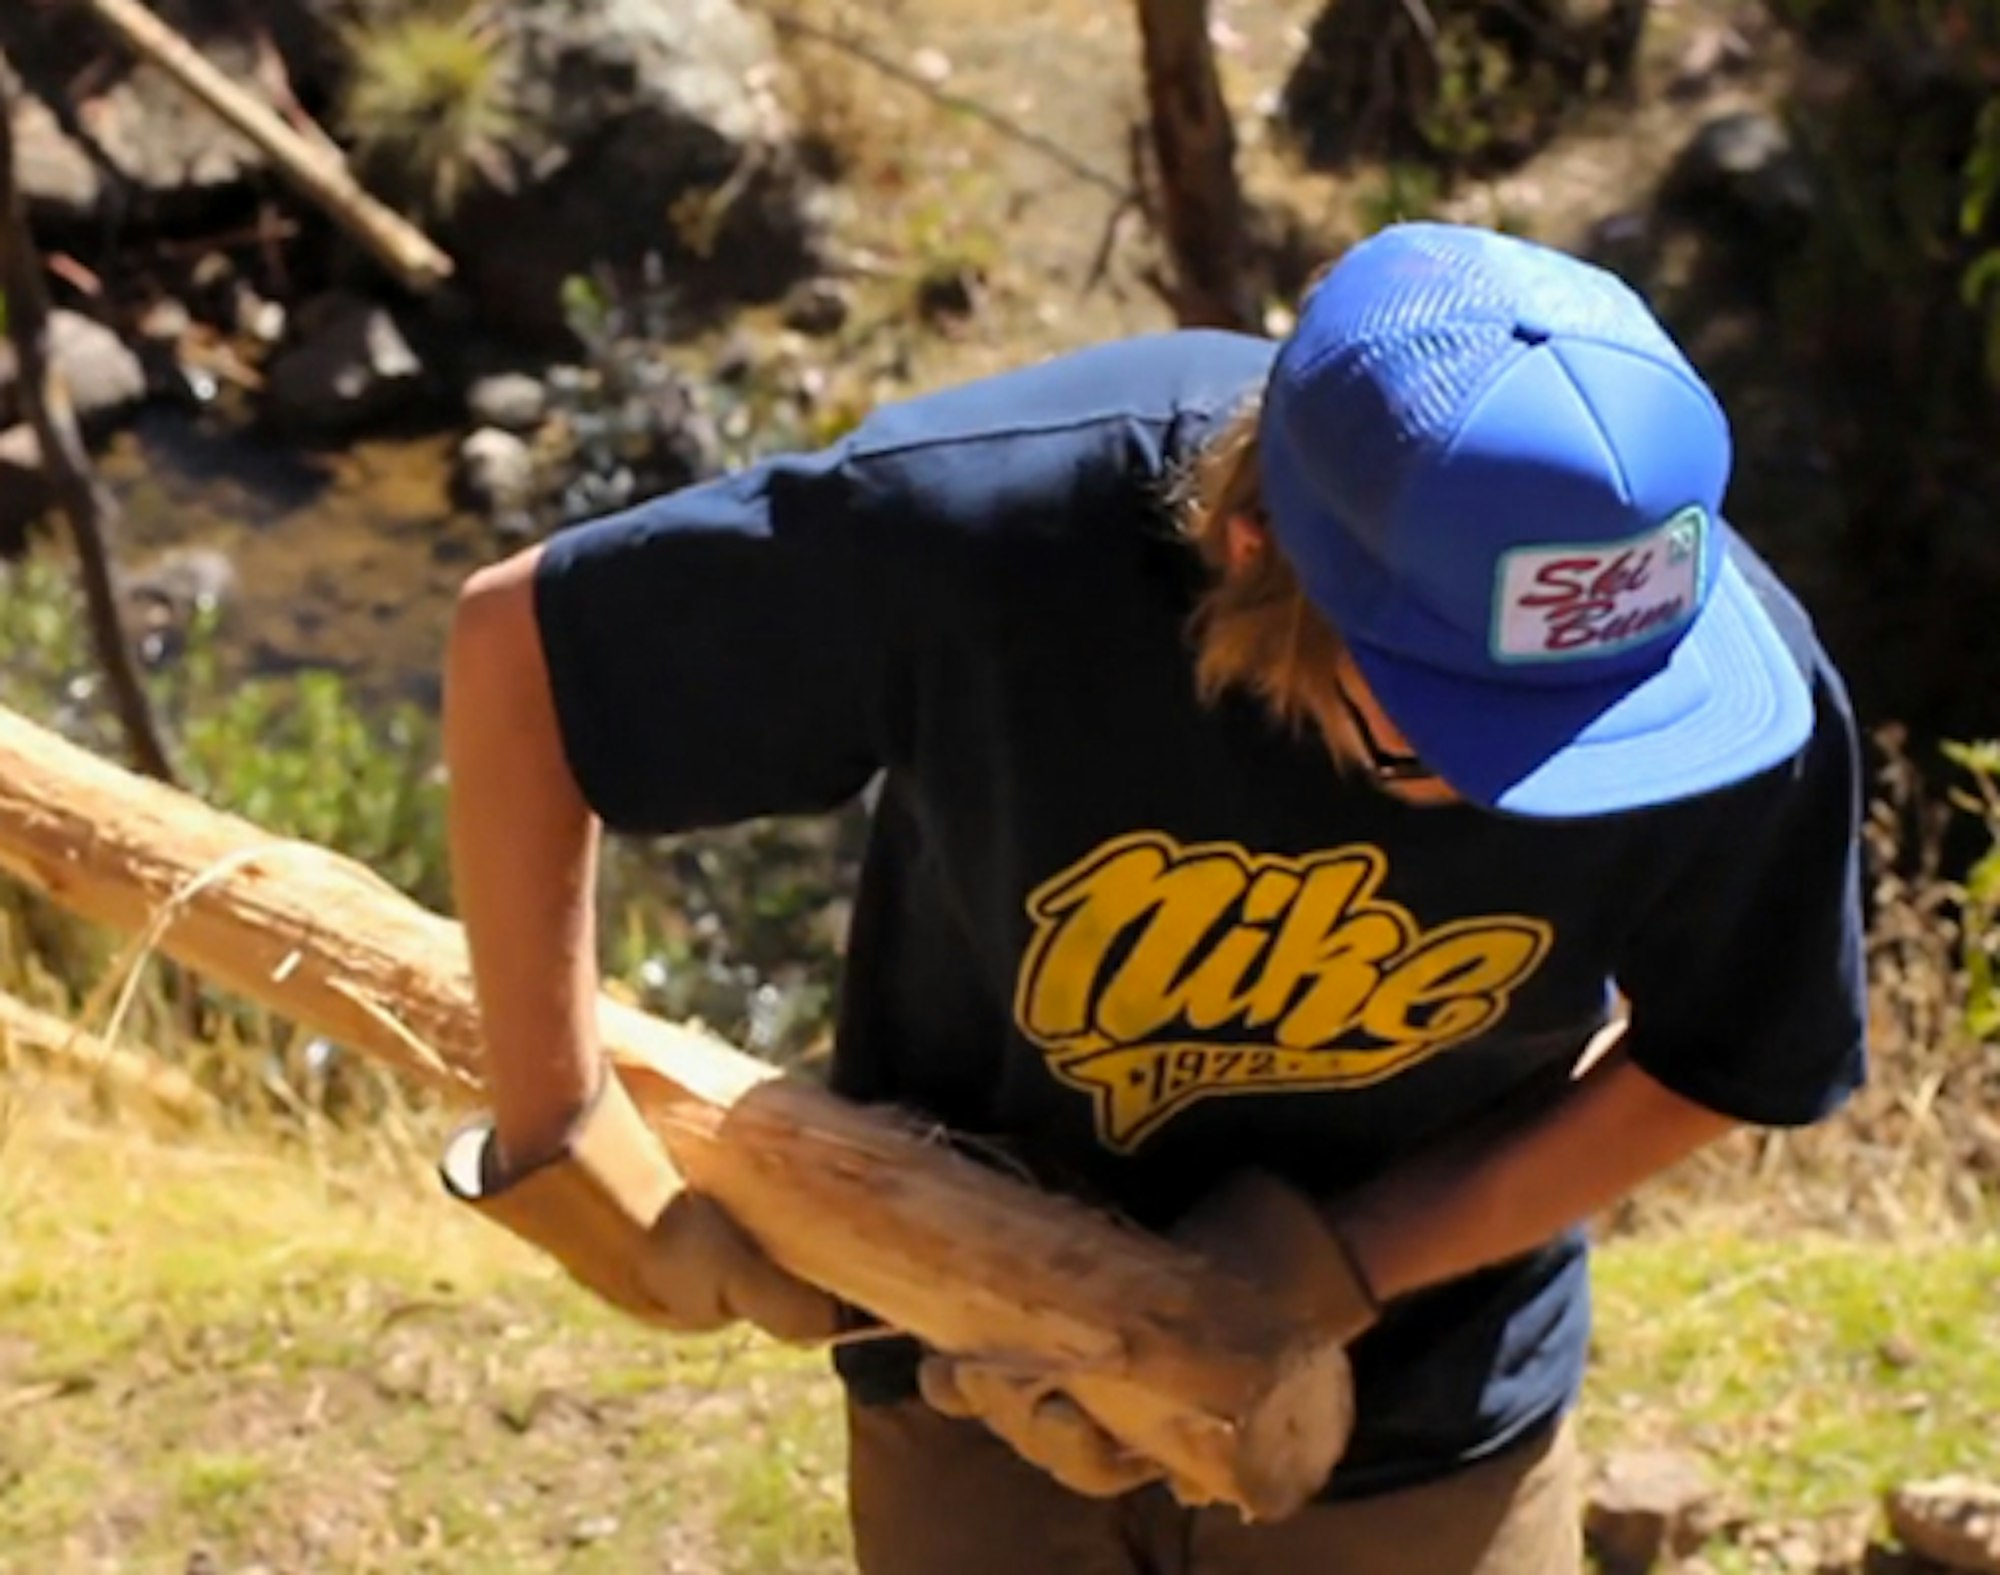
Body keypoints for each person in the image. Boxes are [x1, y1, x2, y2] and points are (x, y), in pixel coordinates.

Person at [436, 221, 1867, 1575]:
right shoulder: (990, 540)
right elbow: (526, 651)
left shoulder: (1715, 693)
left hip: (1415, 1418)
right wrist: (569, 1145)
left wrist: (1341, 1267)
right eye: (1463, 736)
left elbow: (1724, 1055)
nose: (1541, 783)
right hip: (968, 1364)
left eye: (1601, 734)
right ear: (1259, 553)